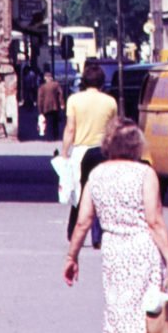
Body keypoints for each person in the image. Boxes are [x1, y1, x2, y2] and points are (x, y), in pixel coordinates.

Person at [64, 119, 168, 333]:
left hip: (114, 252)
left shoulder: (97, 174)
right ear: (137, 145)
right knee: (145, 316)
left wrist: (71, 257)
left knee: (130, 319)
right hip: (143, 250)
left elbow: (83, 221)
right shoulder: (145, 173)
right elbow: (154, 221)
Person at [64, 61, 118, 245]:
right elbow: (113, 128)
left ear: (84, 81)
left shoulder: (74, 100)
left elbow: (70, 129)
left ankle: (73, 233)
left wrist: (64, 152)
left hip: (81, 151)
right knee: (101, 193)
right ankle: (98, 236)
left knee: (78, 193)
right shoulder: (110, 102)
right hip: (103, 150)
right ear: (102, 82)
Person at [38, 67, 67, 142]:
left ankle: (49, 137)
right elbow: (60, 94)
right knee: (55, 122)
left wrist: (40, 110)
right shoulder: (56, 85)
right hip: (55, 106)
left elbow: (40, 99)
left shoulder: (42, 87)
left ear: (45, 78)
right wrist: (62, 104)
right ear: (51, 77)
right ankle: (55, 136)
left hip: (46, 107)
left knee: (49, 122)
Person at [18, 58, 42, 142]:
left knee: (29, 98)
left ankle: (29, 106)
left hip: (29, 89)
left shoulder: (30, 75)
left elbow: (31, 83)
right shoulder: (31, 74)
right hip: (29, 89)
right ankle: (29, 106)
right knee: (29, 98)